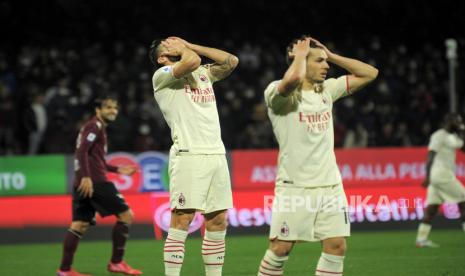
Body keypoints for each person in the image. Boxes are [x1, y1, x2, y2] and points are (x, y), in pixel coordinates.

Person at [258, 36, 378, 276]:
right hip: (295, 186)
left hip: (330, 185)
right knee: (280, 248)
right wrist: (300, 55)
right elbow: (292, 79)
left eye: (327, 62)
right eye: (320, 61)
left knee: (336, 246)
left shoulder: (327, 90)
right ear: (299, 59)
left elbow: (370, 73)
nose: (326, 66)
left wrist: (331, 54)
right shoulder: (278, 94)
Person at [149, 37, 239, 276]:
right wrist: (186, 50)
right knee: (183, 220)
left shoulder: (202, 73)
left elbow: (231, 61)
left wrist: (191, 44)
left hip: (216, 153)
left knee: (218, 220)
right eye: (168, 46)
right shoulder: (163, 75)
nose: (175, 46)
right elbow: (192, 60)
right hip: (189, 155)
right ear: (161, 58)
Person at [57, 96, 142, 276]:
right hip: (94, 182)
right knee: (126, 215)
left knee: (79, 225)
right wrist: (87, 177)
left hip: (83, 181)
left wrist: (117, 169)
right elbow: (81, 151)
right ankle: (116, 262)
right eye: (108, 107)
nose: (113, 111)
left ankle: (64, 270)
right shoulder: (94, 126)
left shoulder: (97, 127)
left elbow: (96, 159)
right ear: (98, 110)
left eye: (115, 108)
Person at [415, 113, 465, 248]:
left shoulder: (453, 137)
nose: (460, 123)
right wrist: (427, 176)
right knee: (464, 200)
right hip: (440, 174)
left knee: (432, 208)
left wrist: (461, 132)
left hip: (438, 177)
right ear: (449, 121)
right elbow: (430, 156)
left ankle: (421, 239)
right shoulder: (438, 136)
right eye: (458, 121)